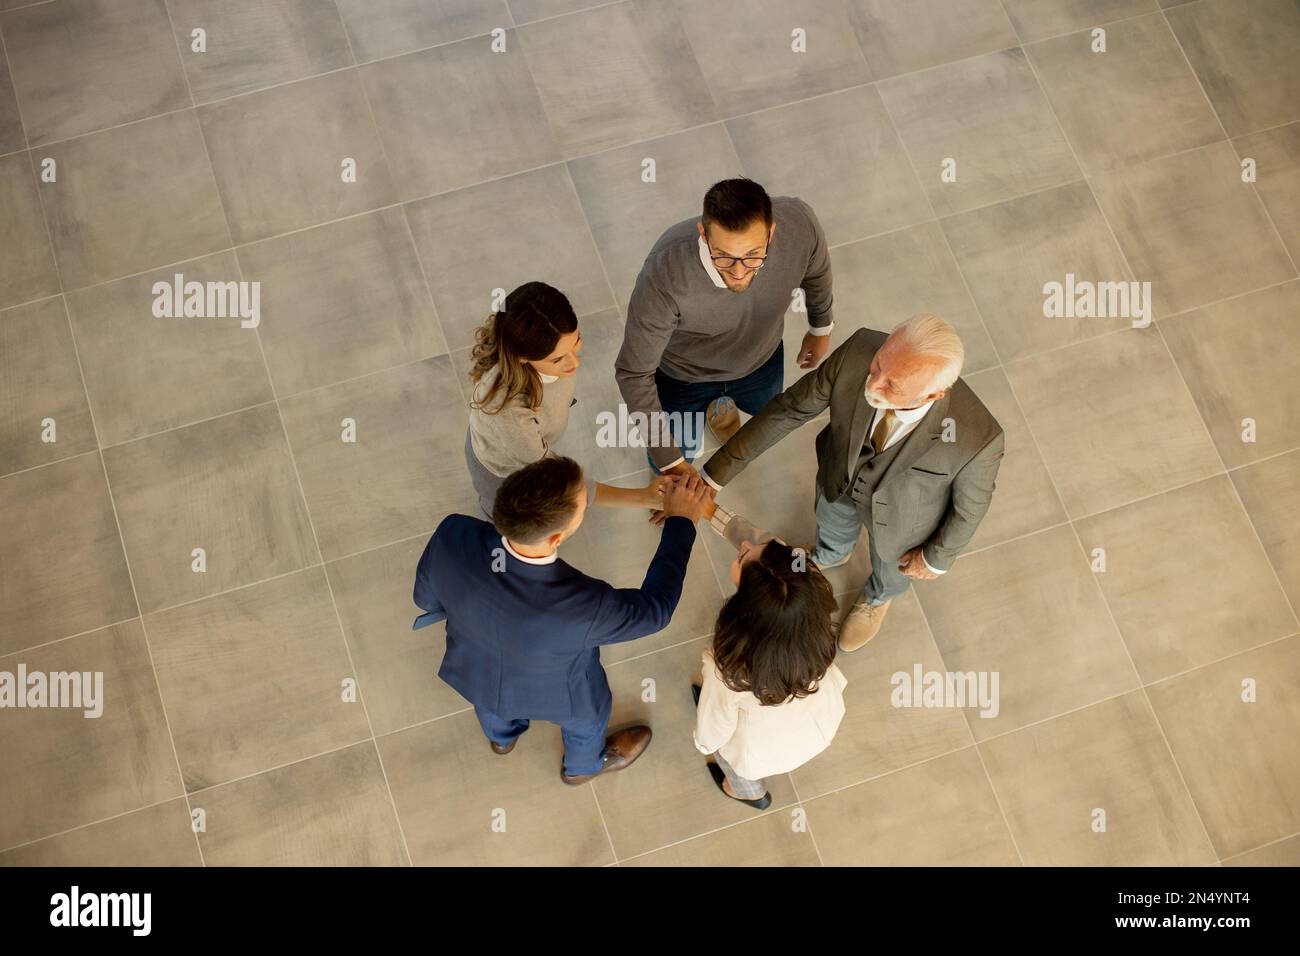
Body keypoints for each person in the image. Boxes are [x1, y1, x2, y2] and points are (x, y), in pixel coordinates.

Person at [700, 314, 1005, 652]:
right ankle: (832, 553)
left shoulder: (978, 439)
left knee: (891, 571)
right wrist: (714, 475)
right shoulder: (859, 349)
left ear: (932, 396)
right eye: (877, 366)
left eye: (893, 385)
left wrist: (936, 558)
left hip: (904, 528)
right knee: (831, 523)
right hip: (838, 480)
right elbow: (788, 411)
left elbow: (971, 509)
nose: (872, 385)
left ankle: (878, 597)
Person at [412, 456, 713, 784]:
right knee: (588, 720)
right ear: (556, 538)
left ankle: (502, 738)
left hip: (476, 669)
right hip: (562, 694)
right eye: (583, 507)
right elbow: (656, 610)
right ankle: (582, 768)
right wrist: (682, 521)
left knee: (491, 704)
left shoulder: (453, 533)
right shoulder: (586, 605)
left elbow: (425, 598)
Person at [615, 178, 835, 478]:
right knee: (677, 450)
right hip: (683, 378)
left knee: (764, 414)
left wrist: (821, 327)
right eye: (724, 256)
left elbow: (817, 268)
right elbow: (634, 373)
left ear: (772, 232)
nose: (740, 271)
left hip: (761, 362)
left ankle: (722, 406)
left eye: (753, 255)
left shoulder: (800, 223)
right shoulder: (664, 276)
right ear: (703, 234)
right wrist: (670, 463)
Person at [690, 498, 846, 809]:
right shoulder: (808, 594)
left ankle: (748, 792)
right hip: (820, 726)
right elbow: (771, 544)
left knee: (729, 759)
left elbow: (713, 732)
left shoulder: (728, 668)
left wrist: (704, 743)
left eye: (747, 555)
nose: (746, 544)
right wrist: (707, 507)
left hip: (757, 752)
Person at [466, 281, 666, 520]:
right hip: (503, 476)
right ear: (522, 357)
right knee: (507, 521)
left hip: (523, 447)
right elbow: (561, 479)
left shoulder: (542, 353)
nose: (575, 363)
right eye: (558, 359)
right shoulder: (510, 416)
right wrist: (645, 497)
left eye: (576, 341)